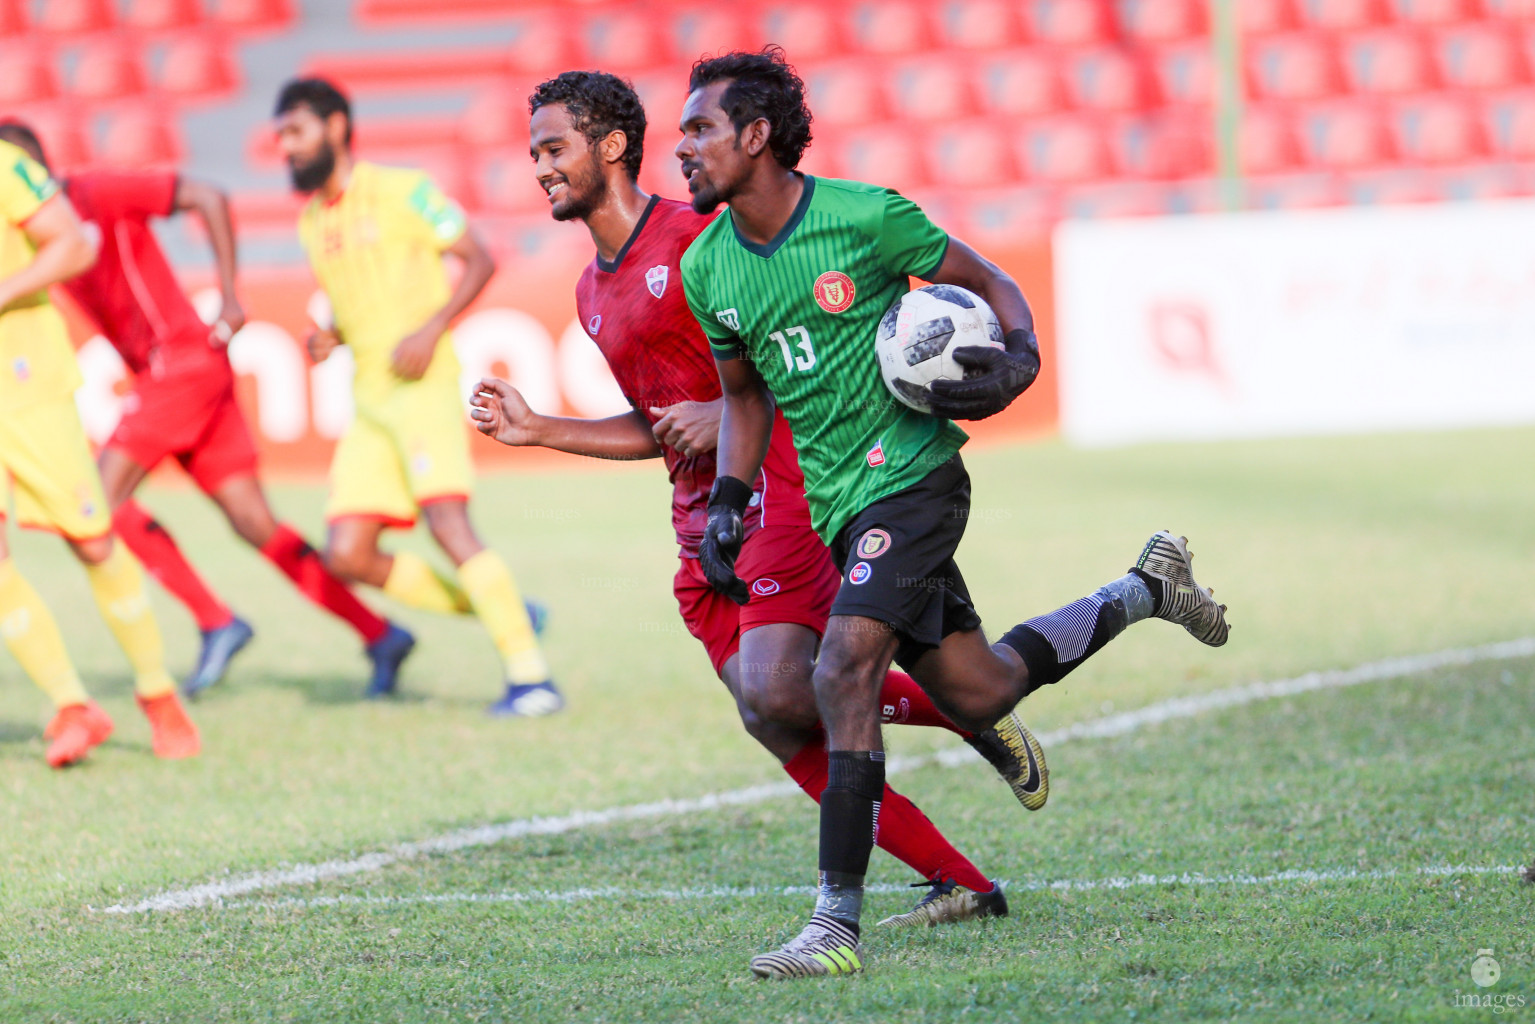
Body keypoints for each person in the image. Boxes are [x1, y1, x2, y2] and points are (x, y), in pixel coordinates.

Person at [676, 48, 1232, 978]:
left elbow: (992, 282)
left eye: (698, 130)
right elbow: (741, 397)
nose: (682, 150)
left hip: (918, 482)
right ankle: (1145, 589)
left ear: (756, 135)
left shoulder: (864, 217)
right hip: (840, 506)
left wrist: (1017, 356)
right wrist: (731, 500)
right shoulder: (709, 266)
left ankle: (833, 927)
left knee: (843, 668)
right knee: (980, 690)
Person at [471, 70, 1049, 929]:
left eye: (554, 150)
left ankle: (942, 757)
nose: (541, 169)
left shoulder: (695, 239)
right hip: (700, 520)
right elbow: (660, 425)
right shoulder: (593, 291)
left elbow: (788, 362)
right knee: (772, 716)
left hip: (780, 491)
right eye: (534, 155)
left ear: (612, 146)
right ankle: (961, 860)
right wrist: (542, 428)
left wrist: (728, 423)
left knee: (788, 693)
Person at [0, 120, 416, 700]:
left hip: (181, 361)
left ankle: (216, 619)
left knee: (99, 501)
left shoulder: (95, 194)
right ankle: (380, 633)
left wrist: (228, 292)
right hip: (175, 371)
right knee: (253, 522)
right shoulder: (29, 240)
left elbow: (207, 194)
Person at [273, 78, 559, 716]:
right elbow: (360, 308)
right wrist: (332, 337)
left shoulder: (404, 191)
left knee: (448, 526)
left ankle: (532, 679)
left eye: (296, 132)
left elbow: (478, 258)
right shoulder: (313, 221)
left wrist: (432, 329)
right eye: (281, 136)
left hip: (422, 390)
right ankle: (510, 611)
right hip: (369, 402)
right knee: (346, 553)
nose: (286, 147)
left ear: (337, 127)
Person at [0, 137, 200, 766]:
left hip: (26, 384)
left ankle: (158, 694)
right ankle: (73, 707)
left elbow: (74, 243)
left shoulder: (7, 166)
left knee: (91, 541)